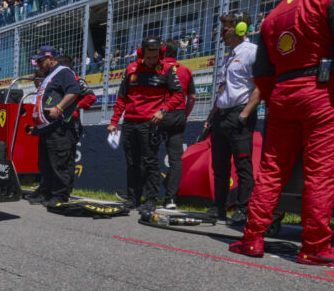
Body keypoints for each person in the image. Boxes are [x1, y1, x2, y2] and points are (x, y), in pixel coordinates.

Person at [230, 0, 334, 266]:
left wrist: (271, 96)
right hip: (321, 91)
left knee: (271, 170)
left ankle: (253, 238)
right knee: (320, 172)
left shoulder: (272, 15)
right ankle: (315, 245)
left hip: (281, 94)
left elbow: (262, 70)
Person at [108, 36, 184, 213]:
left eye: (155, 57)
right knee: (132, 162)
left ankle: (151, 200)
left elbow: (178, 95)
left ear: (161, 54)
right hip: (129, 123)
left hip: (150, 123)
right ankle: (132, 198)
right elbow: (122, 98)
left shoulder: (166, 69)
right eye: (148, 57)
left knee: (150, 162)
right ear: (141, 54)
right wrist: (114, 121)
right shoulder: (131, 68)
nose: (151, 61)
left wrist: (163, 110)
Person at [204, 12, 260, 224]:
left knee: (243, 165)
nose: (222, 33)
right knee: (219, 166)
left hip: (239, 114)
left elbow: (260, 86)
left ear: (240, 29)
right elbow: (222, 89)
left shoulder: (251, 52)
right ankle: (218, 207)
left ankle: (243, 209)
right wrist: (211, 116)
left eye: (226, 29)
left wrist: (245, 114)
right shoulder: (228, 57)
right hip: (221, 116)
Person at [25, 45, 83, 207]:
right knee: (45, 164)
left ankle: (59, 196)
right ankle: (46, 192)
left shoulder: (64, 72)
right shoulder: (48, 76)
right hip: (46, 128)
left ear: (50, 58)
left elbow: (73, 91)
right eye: (37, 62)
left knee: (60, 163)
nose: (38, 64)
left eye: (41, 61)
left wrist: (59, 108)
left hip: (60, 127)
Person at [160, 39, 197, 209]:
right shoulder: (186, 71)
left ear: (163, 52)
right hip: (178, 115)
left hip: (158, 114)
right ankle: (171, 199)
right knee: (175, 159)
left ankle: (143, 195)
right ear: (177, 53)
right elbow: (192, 98)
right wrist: (185, 115)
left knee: (148, 154)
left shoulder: (159, 68)